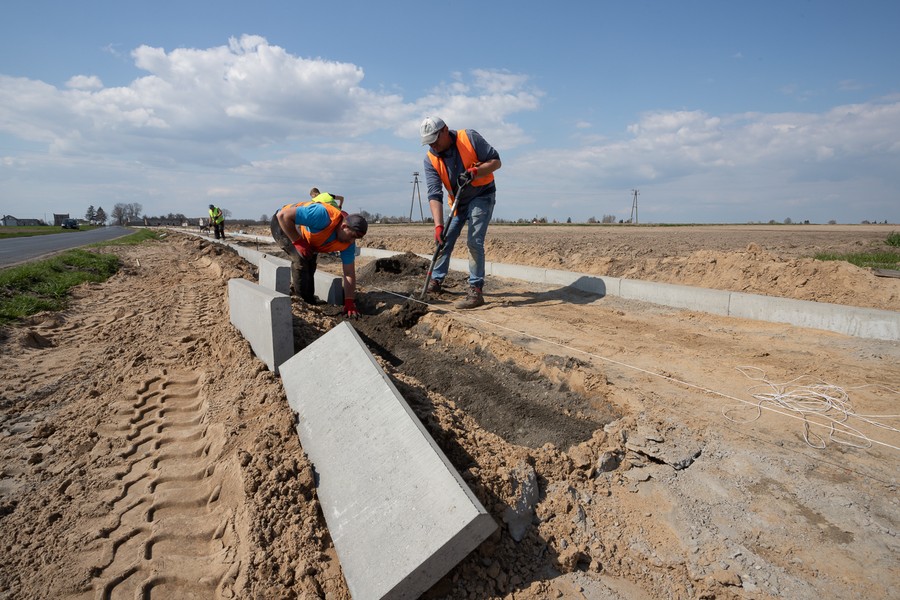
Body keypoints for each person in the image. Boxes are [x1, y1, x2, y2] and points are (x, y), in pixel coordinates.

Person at [420, 116, 501, 309]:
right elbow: (434, 194)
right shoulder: (430, 159)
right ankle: (436, 280)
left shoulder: (469, 137)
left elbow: (496, 162)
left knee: (474, 241)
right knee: (444, 240)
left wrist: (475, 172)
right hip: (458, 202)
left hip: (482, 194)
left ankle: (476, 289)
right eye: (429, 142)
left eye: (435, 140)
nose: (433, 145)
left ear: (445, 130)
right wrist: (438, 226)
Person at [271, 201, 368, 318]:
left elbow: (349, 273)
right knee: (301, 259)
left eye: (356, 238)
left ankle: (310, 301)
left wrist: (349, 301)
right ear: (344, 226)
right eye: (352, 236)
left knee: (310, 263)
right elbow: (282, 215)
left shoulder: (348, 244)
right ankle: (303, 305)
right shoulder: (322, 216)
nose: (352, 241)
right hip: (284, 225)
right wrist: (298, 242)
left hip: (306, 236)